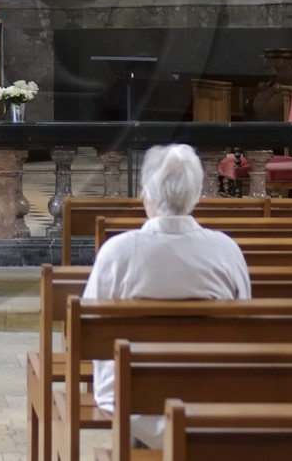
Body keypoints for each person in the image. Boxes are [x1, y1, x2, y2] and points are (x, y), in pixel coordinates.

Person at [82, 143, 251, 449]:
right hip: (212, 394)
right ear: (197, 195)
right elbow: (244, 321)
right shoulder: (226, 250)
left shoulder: (117, 252)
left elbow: (89, 329)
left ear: (146, 194)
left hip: (131, 399)